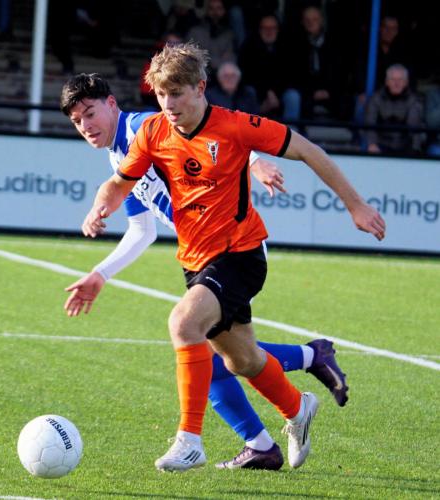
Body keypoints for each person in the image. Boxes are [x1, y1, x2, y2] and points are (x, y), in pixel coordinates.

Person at [80, 43, 385, 472]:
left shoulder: (235, 126)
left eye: (176, 93)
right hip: (195, 260)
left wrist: (355, 205)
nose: (168, 104)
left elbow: (309, 151)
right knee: (241, 360)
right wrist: (101, 205)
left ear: (200, 87)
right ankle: (298, 409)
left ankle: (190, 440)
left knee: (183, 323)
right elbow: (119, 183)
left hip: (241, 254)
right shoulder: (153, 133)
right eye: (161, 95)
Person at [238, 13, 301, 122]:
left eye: (272, 28)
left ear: (278, 30)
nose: (269, 31)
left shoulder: (287, 47)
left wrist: (275, 93)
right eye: (265, 28)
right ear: (259, 30)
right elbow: (247, 75)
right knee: (249, 92)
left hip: (280, 92)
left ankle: (290, 131)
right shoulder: (249, 46)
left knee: (293, 96)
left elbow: (291, 75)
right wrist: (267, 93)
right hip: (257, 92)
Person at [364, 64, 424, 155]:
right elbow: (370, 123)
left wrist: (415, 150)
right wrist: (372, 144)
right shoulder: (376, 99)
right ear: (387, 82)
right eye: (393, 80)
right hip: (381, 145)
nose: (396, 83)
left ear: (406, 82)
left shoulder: (413, 101)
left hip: (404, 146)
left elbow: (414, 128)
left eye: (400, 80)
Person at [186, 0, 236, 75]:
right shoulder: (195, 31)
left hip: (222, 75)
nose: (215, 12)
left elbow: (230, 59)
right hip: (199, 75)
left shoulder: (230, 35)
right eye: (211, 9)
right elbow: (190, 57)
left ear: (224, 11)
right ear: (206, 11)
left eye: (219, 8)